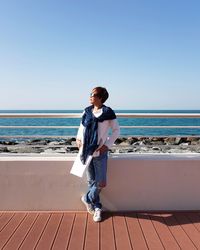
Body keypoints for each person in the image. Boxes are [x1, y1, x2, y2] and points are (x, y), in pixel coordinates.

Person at [76, 86, 120, 222]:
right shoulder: (87, 111)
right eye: (90, 94)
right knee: (91, 181)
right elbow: (82, 127)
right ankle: (97, 208)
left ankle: (86, 198)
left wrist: (106, 146)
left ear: (100, 98)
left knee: (101, 183)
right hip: (86, 150)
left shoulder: (108, 112)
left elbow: (116, 130)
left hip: (99, 152)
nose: (90, 96)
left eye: (93, 94)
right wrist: (78, 139)